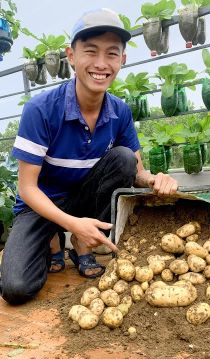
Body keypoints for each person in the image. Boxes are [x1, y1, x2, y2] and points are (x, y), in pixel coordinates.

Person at [0, 8, 178, 305]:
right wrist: (69, 222)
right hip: (40, 205)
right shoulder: (41, 109)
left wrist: (155, 178)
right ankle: (52, 238)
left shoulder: (119, 111)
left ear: (122, 59)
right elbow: (27, 188)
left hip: (82, 197)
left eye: (111, 53)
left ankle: (80, 244)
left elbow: (136, 170)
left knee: (123, 158)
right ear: (71, 56)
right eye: (90, 51)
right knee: (16, 288)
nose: (100, 64)